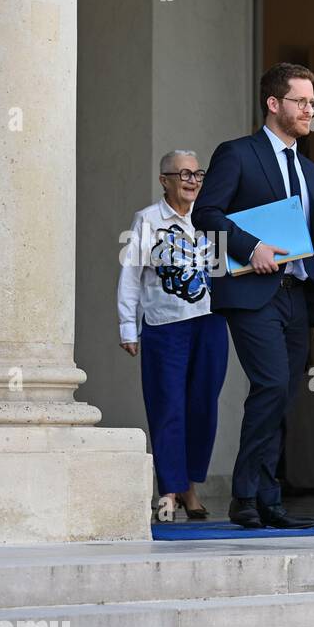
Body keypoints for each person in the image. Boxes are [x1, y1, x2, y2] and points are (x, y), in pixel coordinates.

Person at [192, 62, 314, 530]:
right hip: (253, 292)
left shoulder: (310, 170)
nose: (309, 110)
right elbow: (206, 213)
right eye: (300, 102)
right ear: (273, 103)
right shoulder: (237, 153)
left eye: (312, 102)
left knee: (283, 394)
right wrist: (252, 247)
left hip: (297, 295)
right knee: (271, 384)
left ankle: (269, 499)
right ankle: (246, 494)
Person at [117, 150, 228, 521]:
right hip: (165, 325)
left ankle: (189, 486)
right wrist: (128, 326)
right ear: (164, 180)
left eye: (197, 173)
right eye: (183, 174)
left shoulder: (211, 218)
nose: (192, 180)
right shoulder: (148, 220)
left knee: (203, 406)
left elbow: (228, 267)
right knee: (167, 407)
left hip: (210, 322)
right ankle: (168, 490)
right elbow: (131, 276)